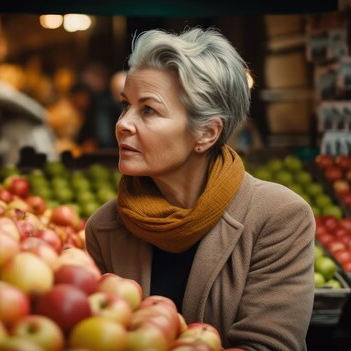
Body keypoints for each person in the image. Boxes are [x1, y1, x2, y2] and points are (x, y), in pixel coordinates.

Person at [84, 28, 314, 350]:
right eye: (126, 105)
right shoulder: (104, 227)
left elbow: (269, 345)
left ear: (206, 133)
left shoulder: (278, 217)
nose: (123, 123)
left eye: (148, 110)